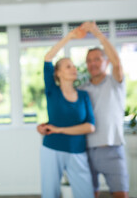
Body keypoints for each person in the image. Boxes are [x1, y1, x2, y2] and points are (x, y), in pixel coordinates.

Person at [37, 24, 95, 198]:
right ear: (58, 73)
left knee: (86, 194)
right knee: (50, 193)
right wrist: (69, 37)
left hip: (77, 150)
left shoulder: (84, 95)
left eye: (73, 66)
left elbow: (90, 127)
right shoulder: (52, 91)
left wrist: (59, 129)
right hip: (51, 149)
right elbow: (48, 58)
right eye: (68, 66)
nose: (73, 68)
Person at [79, 22, 129, 198]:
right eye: (89, 60)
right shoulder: (82, 89)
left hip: (112, 149)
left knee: (121, 194)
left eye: (97, 59)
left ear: (106, 61)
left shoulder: (115, 82)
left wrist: (97, 33)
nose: (92, 63)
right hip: (86, 150)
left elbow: (117, 63)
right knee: (89, 194)